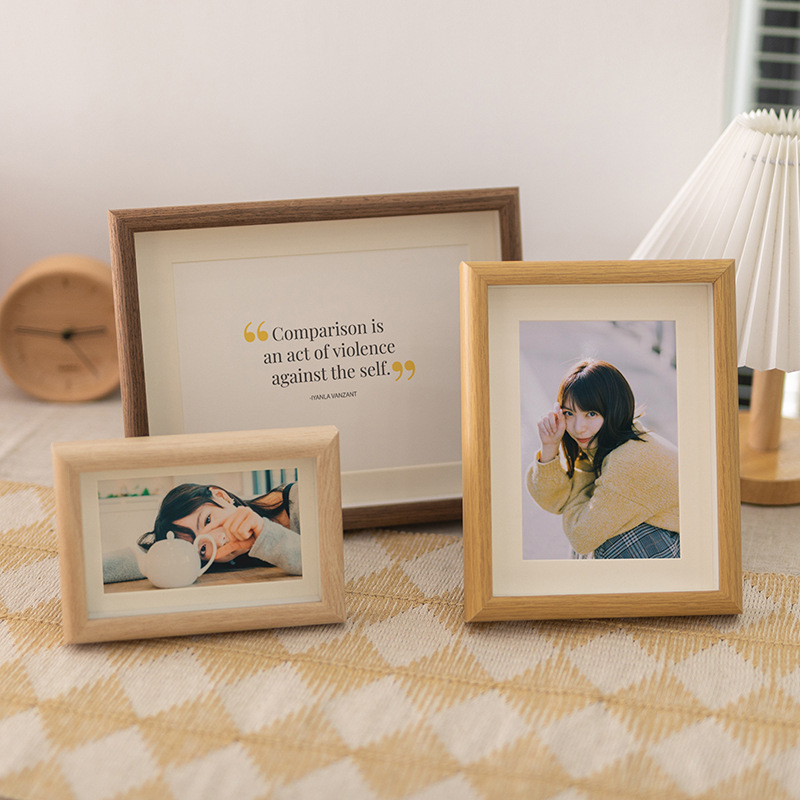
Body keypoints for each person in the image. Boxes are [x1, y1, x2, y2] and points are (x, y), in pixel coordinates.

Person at [526, 359, 680, 559]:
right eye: (569, 413)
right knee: (599, 526)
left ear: (614, 409)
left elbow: (581, 536)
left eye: (591, 414)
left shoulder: (629, 461)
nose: (578, 428)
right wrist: (549, 447)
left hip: (702, 548)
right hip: (682, 538)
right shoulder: (609, 441)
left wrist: (578, 497)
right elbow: (554, 501)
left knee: (608, 540)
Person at [102, 482, 301, 583]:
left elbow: (320, 567)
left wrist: (265, 534)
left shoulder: (301, 498)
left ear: (221, 496)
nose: (216, 540)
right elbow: (148, 558)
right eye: (202, 548)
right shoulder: (224, 562)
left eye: (207, 520)